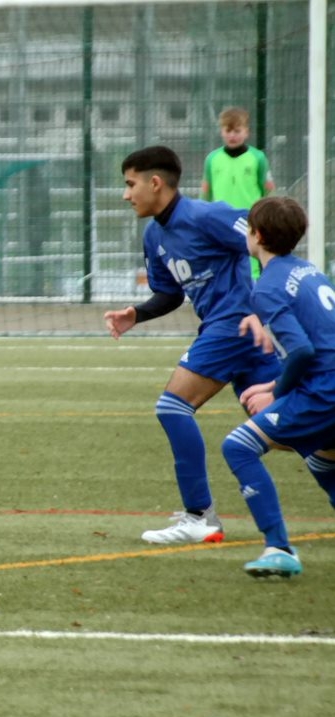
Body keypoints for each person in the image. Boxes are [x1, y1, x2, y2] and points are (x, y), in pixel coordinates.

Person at [104, 145, 281, 545]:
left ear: (155, 183)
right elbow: (168, 294)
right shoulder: (155, 236)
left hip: (233, 324)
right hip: (236, 333)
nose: (125, 194)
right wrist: (136, 313)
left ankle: (199, 516)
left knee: (172, 406)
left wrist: (270, 307)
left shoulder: (207, 215)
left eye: (130, 184)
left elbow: (267, 241)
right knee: (291, 427)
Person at [223, 196, 333, 578]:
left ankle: (278, 547)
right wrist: (274, 381)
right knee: (323, 458)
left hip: (323, 390)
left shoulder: (267, 286)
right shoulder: (309, 270)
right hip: (327, 380)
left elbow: (301, 349)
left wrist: (275, 392)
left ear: (257, 235)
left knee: (237, 446)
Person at [200, 106, 276, 280]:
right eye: (228, 130)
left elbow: (268, 190)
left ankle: (253, 298)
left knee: (251, 264)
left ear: (246, 132)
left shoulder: (257, 158)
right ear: (222, 132)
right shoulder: (212, 159)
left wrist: (266, 217)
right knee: (223, 262)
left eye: (237, 130)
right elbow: (205, 193)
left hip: (249, 221)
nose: (232, 135)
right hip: (221, 221)